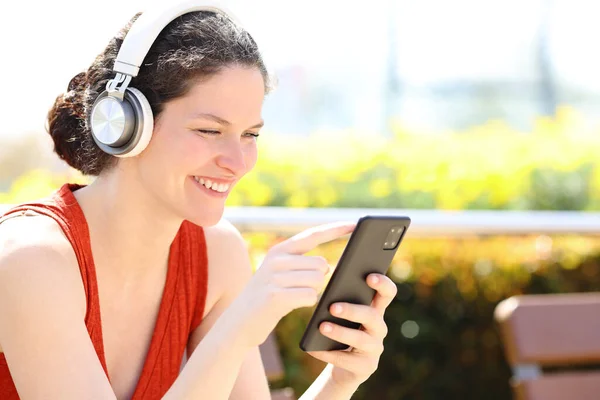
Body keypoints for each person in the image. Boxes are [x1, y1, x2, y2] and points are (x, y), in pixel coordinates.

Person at [0, 1, 398, 399]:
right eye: (209, 130)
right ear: (126, 124)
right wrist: (236, 330)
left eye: (250, 135)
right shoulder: (32, 260)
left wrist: (339, 382)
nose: (238, 162)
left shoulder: (217, 252)